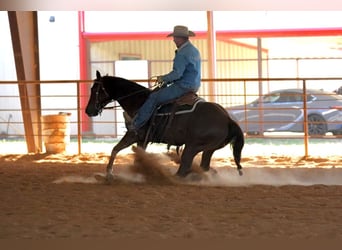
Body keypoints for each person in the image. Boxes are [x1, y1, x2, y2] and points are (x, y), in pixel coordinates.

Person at [129, 25, 201, 132]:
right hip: (194, 85)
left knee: (153, 97)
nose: (174, 40)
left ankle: (136, 125)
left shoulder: (182, 53)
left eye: (175, 38)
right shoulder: (194, 50)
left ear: (181, 38)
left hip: (183, 86)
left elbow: (177, 74)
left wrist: (163, 78)